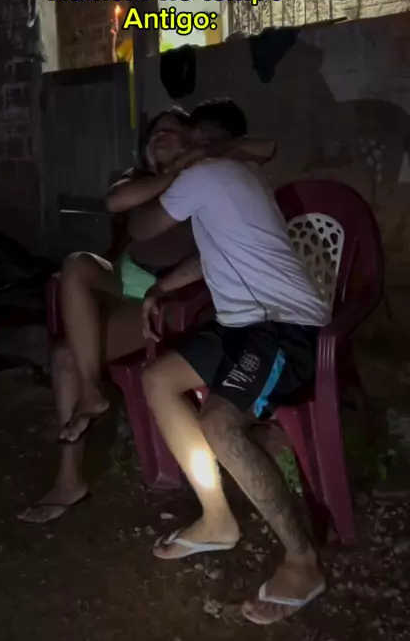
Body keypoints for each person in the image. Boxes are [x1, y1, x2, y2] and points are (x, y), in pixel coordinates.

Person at [18, 106, 275, 524]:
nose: (160, 136)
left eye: (172, 131)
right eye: (155, 133)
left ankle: (70, 473)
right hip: (119, 285)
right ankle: (90, 402)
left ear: (190, 140)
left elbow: (265, 147)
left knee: (65, 356)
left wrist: (196, 159)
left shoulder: (202, 176)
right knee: (76, 264)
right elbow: (115, 201)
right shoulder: (138, 181)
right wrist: (173, 171)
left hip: (159, 301)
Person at [128, 99, 330, 625]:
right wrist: (161, 288)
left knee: (219, 423)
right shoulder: (235, 175)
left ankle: (303, 562)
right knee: (159, 379)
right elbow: (210, 255)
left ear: (202, 141)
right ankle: (217, 519)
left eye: (180, 134)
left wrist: (166, 175)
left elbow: (142, 227)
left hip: (281, 327)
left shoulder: (209, 173)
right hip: (245, 324)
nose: (171, 145)